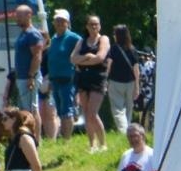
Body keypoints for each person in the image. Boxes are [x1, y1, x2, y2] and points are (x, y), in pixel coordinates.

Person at [71, 15, 111, 153]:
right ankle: (92, 144)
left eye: (96, 24)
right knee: (86, 113)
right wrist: (88, 57)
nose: (94, 27)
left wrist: (83, 61)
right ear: (87, 26)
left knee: (93, 113)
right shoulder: (82, 41)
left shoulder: (103, 39)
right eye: (91, 24)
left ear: (99, 26)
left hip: (98, 79)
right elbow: (73, 58)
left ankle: (103, 143)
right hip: (83, 79)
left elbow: (100, 58)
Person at [45, 10, 81, 140]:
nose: (59, 23)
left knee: (67, 110)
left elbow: (83, 47)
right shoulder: (54, 38)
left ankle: (67, 139)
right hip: (55, 79)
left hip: (67, 79)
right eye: (57, 21)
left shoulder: (72, 37)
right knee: (60, 110)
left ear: (67, 23)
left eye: (62, 21)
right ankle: (64, 136)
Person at [105, 24, 140, 135]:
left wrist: (105, 80)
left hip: (115, 82)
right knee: (129, 108)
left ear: (117, 35)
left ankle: (125, 132)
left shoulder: (114, 49)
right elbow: (136, 69)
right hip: (130, 82)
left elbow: (109, 65)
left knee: (118, 109)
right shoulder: (132, 49)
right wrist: (137, 86)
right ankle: (129, 133)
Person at [11, 4, 45, 115]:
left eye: (19, 15)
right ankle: (29, 132)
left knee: (31, 109)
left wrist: (31, 76)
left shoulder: (32, 34)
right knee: (24, 110)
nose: (17, 18)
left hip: (29, 78)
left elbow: (37, 56)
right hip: (22, 77)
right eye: (16, 16)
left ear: (29, 15)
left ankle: (35, 133)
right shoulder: (23, 33)